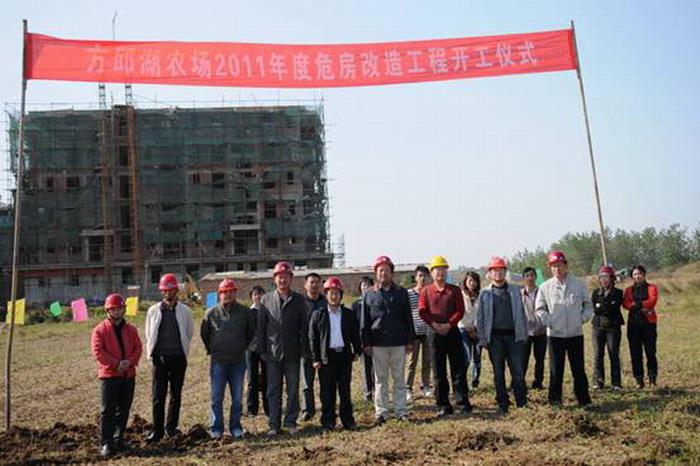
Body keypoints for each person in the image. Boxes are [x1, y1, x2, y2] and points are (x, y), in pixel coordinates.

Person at [535, 251, 593, 407]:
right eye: (553, 266)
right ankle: (555, 400)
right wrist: (550, 321)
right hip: (555, 335)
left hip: (575, 333)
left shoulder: (578, 284)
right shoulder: (545, 287)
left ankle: (584, 400)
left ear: (565, 265)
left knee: (578, 369)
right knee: (556, 370)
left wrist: (581, 319)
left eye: (559, 265)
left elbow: (588, 305)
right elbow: (540, 309)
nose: (557, 269)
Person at [361, 255, 414, 424]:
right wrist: (366, 343)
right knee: (380, 380)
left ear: (392, 272)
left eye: (386, 270)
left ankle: (401, 411)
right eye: (380, 270)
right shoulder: (369, 294)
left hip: (398, 342)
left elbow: (408, 318)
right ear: (376, 273)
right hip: (378, 343)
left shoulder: (401, 293)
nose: (383, 273)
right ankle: (381, 412)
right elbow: (364, 321)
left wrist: (410, 340)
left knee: (399, 379)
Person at [257, 261, 308, 436]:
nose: (283, 280)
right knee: (273, 390)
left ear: (291, 279)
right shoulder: (266, 300)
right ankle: (274, 424)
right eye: (280, 277)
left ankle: (291, 422)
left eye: (286, 277)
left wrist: (304, 350)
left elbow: (304, 327)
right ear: (275, 279)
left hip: (293, 353)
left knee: (292, 389)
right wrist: (262, 350)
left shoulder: (299, 300)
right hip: (272, 353)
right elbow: (261, 327)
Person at [200, 278, 256, 439]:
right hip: (218, 362)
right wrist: (213, 349)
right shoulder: (211, 313)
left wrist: (241, 346)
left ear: (235, 293)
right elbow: (205, 334)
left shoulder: (244, 312)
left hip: (238, 362)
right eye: (224, 292)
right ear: (220, 294)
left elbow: (251, 332)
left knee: (237, 399)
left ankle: (235, 427)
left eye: (231, 291)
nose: (228, 295)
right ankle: (216, 428)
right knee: (216, 398)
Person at [419, 255, 473, 417]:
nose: (440, 272)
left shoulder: (454, 290)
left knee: (458, 369)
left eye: (443, 269)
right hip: (434, 333)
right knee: (439, 371)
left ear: (447, 271)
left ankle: (462, 402)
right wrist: (435, 325)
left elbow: (460, 310)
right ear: (432, 272)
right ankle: (443, 404)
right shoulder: (426, 291)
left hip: (453, 332)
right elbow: (423, 311)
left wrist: (449, 324)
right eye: (437, 270)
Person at [91, 294, 142, 457]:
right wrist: (116, 364)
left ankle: (118, 438)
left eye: (119, 309)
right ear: (107, 311)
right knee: (108, 410)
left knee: (124, 409)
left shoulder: (131, 330)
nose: (116, 312)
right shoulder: (100, 330)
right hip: (109, 376)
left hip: (128, 375)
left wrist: (130, 362)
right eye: (113, 309)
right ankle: (106, 443)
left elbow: (138, 347)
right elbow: (98, 351)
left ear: (123, 310)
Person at [145, 273, 194, 442]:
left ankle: (171, 428)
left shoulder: (185, 311)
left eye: (170, 290)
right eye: (164, 290)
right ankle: (157, 430)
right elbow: (149, 333)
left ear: (176, 290)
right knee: (158, 396)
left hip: (178, 358)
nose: (167, 293)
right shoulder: (153, 311)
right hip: (159, 359)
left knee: (175, 394)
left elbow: (189, 332)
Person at [309, 277, 362, 432]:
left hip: (344, 356)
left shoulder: (348, 314)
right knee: (327, 392)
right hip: (326, 358)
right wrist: (316, 358)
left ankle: (348, 421)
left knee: (345, 391)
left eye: (337, 293)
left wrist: (357, 351)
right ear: (326, 295)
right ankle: (328, 422)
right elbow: (313, 338)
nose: (334, 296)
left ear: (341, 295)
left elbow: (355, 335)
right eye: (331, 293)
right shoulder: (318, 314)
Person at [477, 257, 528, 414]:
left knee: (518, 372)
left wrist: (524, 334)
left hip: (514, 337)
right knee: (498, 372)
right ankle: (502, 402)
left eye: (501, 270)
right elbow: (480, 318)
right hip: (495, 338)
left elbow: (522, 314)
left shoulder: (515, 291)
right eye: (495, 270)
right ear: (490, 273)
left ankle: (521, 402)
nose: (498, 273)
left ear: (505, 272)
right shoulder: (485, 293)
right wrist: (483, 339)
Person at [622, 265, 659, 388]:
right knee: (635, 352)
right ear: (632, 276)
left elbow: (652, 300)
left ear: (644, 275)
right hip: (633, 324)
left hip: (648, 323)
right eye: (635, 274)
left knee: (650, 351)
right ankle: (639, 380)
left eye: (639, 274)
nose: (637, 276)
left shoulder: (652, 287)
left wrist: (636, 305)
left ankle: (652, 378)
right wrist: (640, 306)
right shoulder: (628, 290)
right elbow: (625, 303)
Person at [591, 266, 624, 390]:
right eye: (601, 277)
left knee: (613, 354)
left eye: (606, 277)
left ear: (612, 278)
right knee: (598, 354)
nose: (603, 280)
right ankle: (598, 381)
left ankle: (616, 383)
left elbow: (612, 309)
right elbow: (594, 309)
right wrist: (602, 307)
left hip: (613, 327)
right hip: (597, 327)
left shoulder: (618, 293)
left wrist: (601, 306)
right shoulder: (595, 292)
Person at [301, 272, 327, 422]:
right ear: (305, 285)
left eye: (317, 282)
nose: (315, 285)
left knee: (326, 382)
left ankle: (326, 408)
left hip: (323, 350)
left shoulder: (326, 302)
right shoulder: (300, 303)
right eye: (311, 282)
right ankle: (307, 410)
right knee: (307, 383)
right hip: (305, 349)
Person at [406, 265, 432, 400]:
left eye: (425, 276)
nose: (422, 278)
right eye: (420, 276)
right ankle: (407, 388)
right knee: (412, 362)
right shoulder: (409, 294)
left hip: (428, 331)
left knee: (427, 361)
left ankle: (426, 386)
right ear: (416, 277)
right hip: (414, 332)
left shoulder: (430, 293)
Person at [521, 267, 546, 389]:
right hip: (525, 332)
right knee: (523, 360)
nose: (530, 278)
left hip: (541, 331)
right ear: (524, 278)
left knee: (540, 359)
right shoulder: (520, 294)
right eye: (527, 276)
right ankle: (520, 382)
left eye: (532, 275)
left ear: (536, 277)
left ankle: (538, 382)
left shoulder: (542, 292)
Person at [351, 276, 375, 402]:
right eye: (364, 285)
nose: (366, 287)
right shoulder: (356, 304)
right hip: (362, 341)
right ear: (360, 287)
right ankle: (367, 394)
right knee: (365, 368)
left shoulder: (375, 301)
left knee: (376, 368)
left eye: (368, 285)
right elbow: (353, 324)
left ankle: (377, 392)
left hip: (376, 340)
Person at [246, 286, 269, 416]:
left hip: (266, 349)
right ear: (251, 297)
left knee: (267, 379)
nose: (258, 297)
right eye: (255, 294)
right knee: (251, 379)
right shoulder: (248, 313)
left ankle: (268, 408)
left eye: (260, 294)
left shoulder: (268, 311)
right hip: (250, 350)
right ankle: (252, 408)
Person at [458, 271, 482, 389]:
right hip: (464, 329)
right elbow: (459, 313)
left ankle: (475, 381)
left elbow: (482, 313)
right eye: (470, 281)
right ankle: (463, 381)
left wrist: (475, 327)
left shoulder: (481, 295)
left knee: (477, 357)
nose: (472, 283)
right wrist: (468, 327)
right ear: (465, 282)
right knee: (466, 357)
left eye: (474, 281)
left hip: (478, 329)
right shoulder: (460, 295)